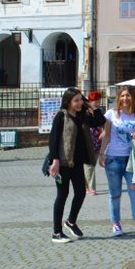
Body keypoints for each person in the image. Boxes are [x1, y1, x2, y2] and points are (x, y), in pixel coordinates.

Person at [47, 88, 96, 243]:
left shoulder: (82, 115)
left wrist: (89, 106)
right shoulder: (61, 116)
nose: (79, 103)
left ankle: (71, 221)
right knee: (62, 195)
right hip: (62, 163)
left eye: (81, 99)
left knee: (81, 192)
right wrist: (54, 160)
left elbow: (99, 121)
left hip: (77, 163)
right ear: (68, 102)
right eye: (76, 100)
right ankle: (56, 232)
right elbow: (53, 139)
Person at [100, 87, 135, 238]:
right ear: (119, 98)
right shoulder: (110, 114)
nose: (125, 99)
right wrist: (102, 153)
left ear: (132, 97)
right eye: (122, 96)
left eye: (128, 96)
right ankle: (116, 224)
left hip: (132, 159)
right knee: (115, 194)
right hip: (113, 157)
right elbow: (106, 135)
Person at [82, 92, 106, 196]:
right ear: (89, 101)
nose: (97, 103)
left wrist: (103, 133)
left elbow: (101, 123)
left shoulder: (99, 111)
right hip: (88, 139)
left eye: (98, 101)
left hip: (98, 140)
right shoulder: (84, 112)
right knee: (89, 165)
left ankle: (86, 186)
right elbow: (88, 124)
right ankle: (91, 187)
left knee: (92, 164)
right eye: (95, 101)